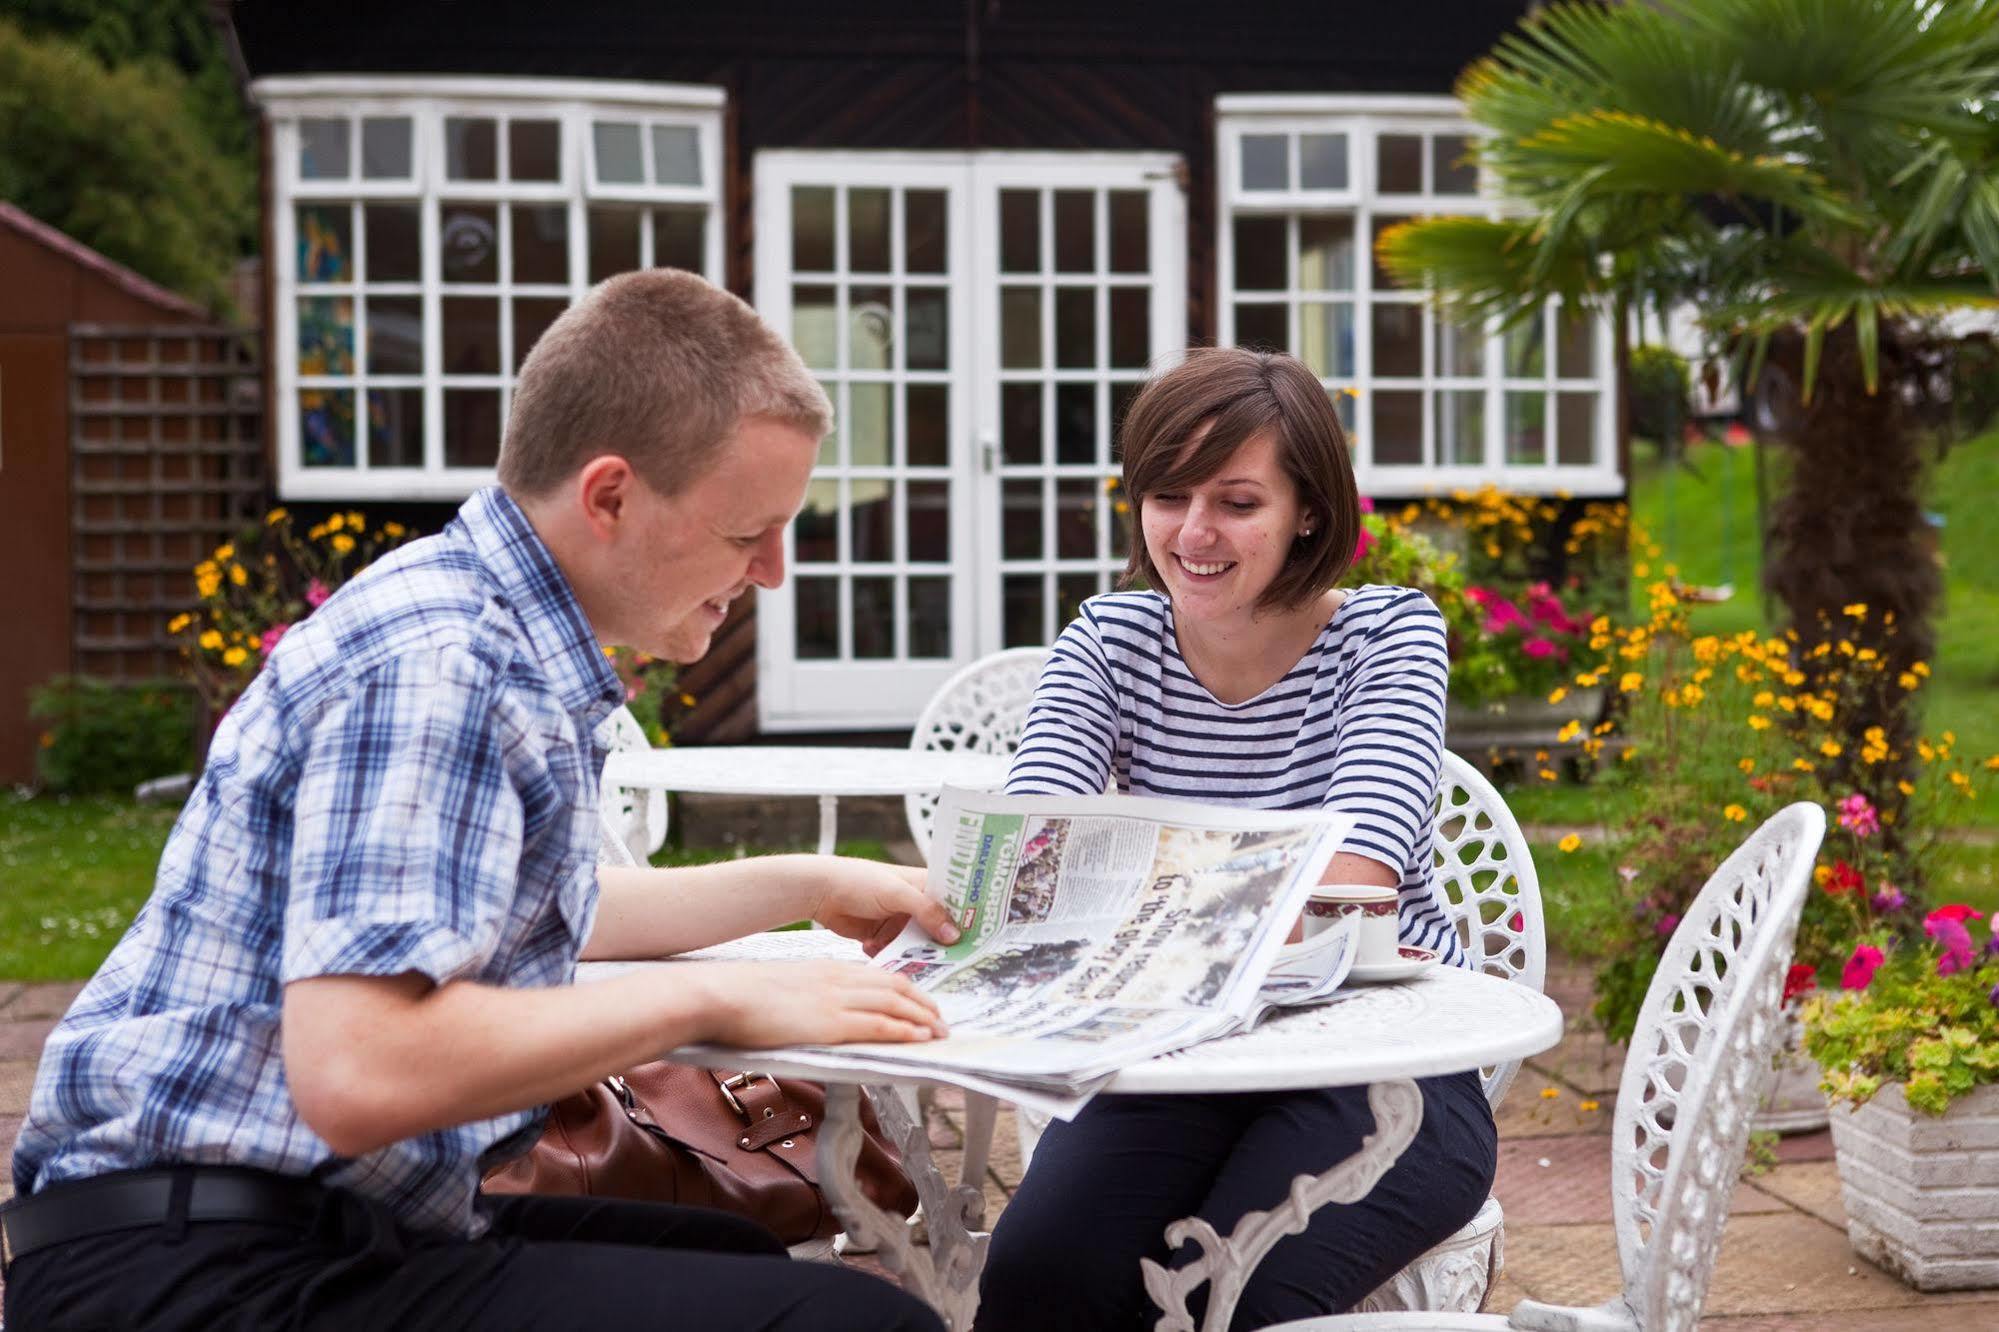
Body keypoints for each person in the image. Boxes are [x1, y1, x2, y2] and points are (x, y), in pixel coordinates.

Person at [2, 270, 954, 1332]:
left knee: (728, 1246)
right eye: (747, 533)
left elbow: (526, 907)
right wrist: (717, 1002)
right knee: (861, 1328)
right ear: (609, 497)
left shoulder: (475, 623)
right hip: (200, 1276)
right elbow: (359, 1070)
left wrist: (807, 882)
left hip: (266, 1226)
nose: (772, 571)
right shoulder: (445, 667)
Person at [976, 346, 1496, 1330]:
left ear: (1309, 509)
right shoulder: (1107, 642)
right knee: (1037, 1278)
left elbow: (1349, 888)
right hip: (1174, 1060)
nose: (1194, 531)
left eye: (1237, 501)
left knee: (1228, 1296)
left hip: (1379, 1074)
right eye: (1167, 495)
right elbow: (1032, 868)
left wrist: (1134, 898)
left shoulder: (1387, 636)